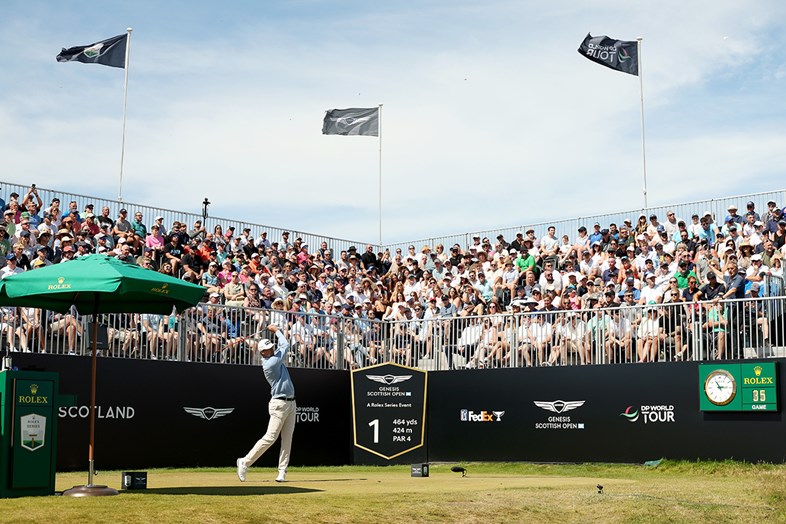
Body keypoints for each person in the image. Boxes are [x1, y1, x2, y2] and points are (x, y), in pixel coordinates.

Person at [237, 324, 296, 483]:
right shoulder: (271, 363)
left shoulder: (274, 359)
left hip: (291, 403)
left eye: (271, 348)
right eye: (268, 349)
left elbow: (282, 346)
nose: (271, 350)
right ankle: (245, 462)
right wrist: (276, 331)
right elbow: (285, 345)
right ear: (262, 353)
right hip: (279, 404)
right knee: (270, 437)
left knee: (287, 440)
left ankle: (282, 471)